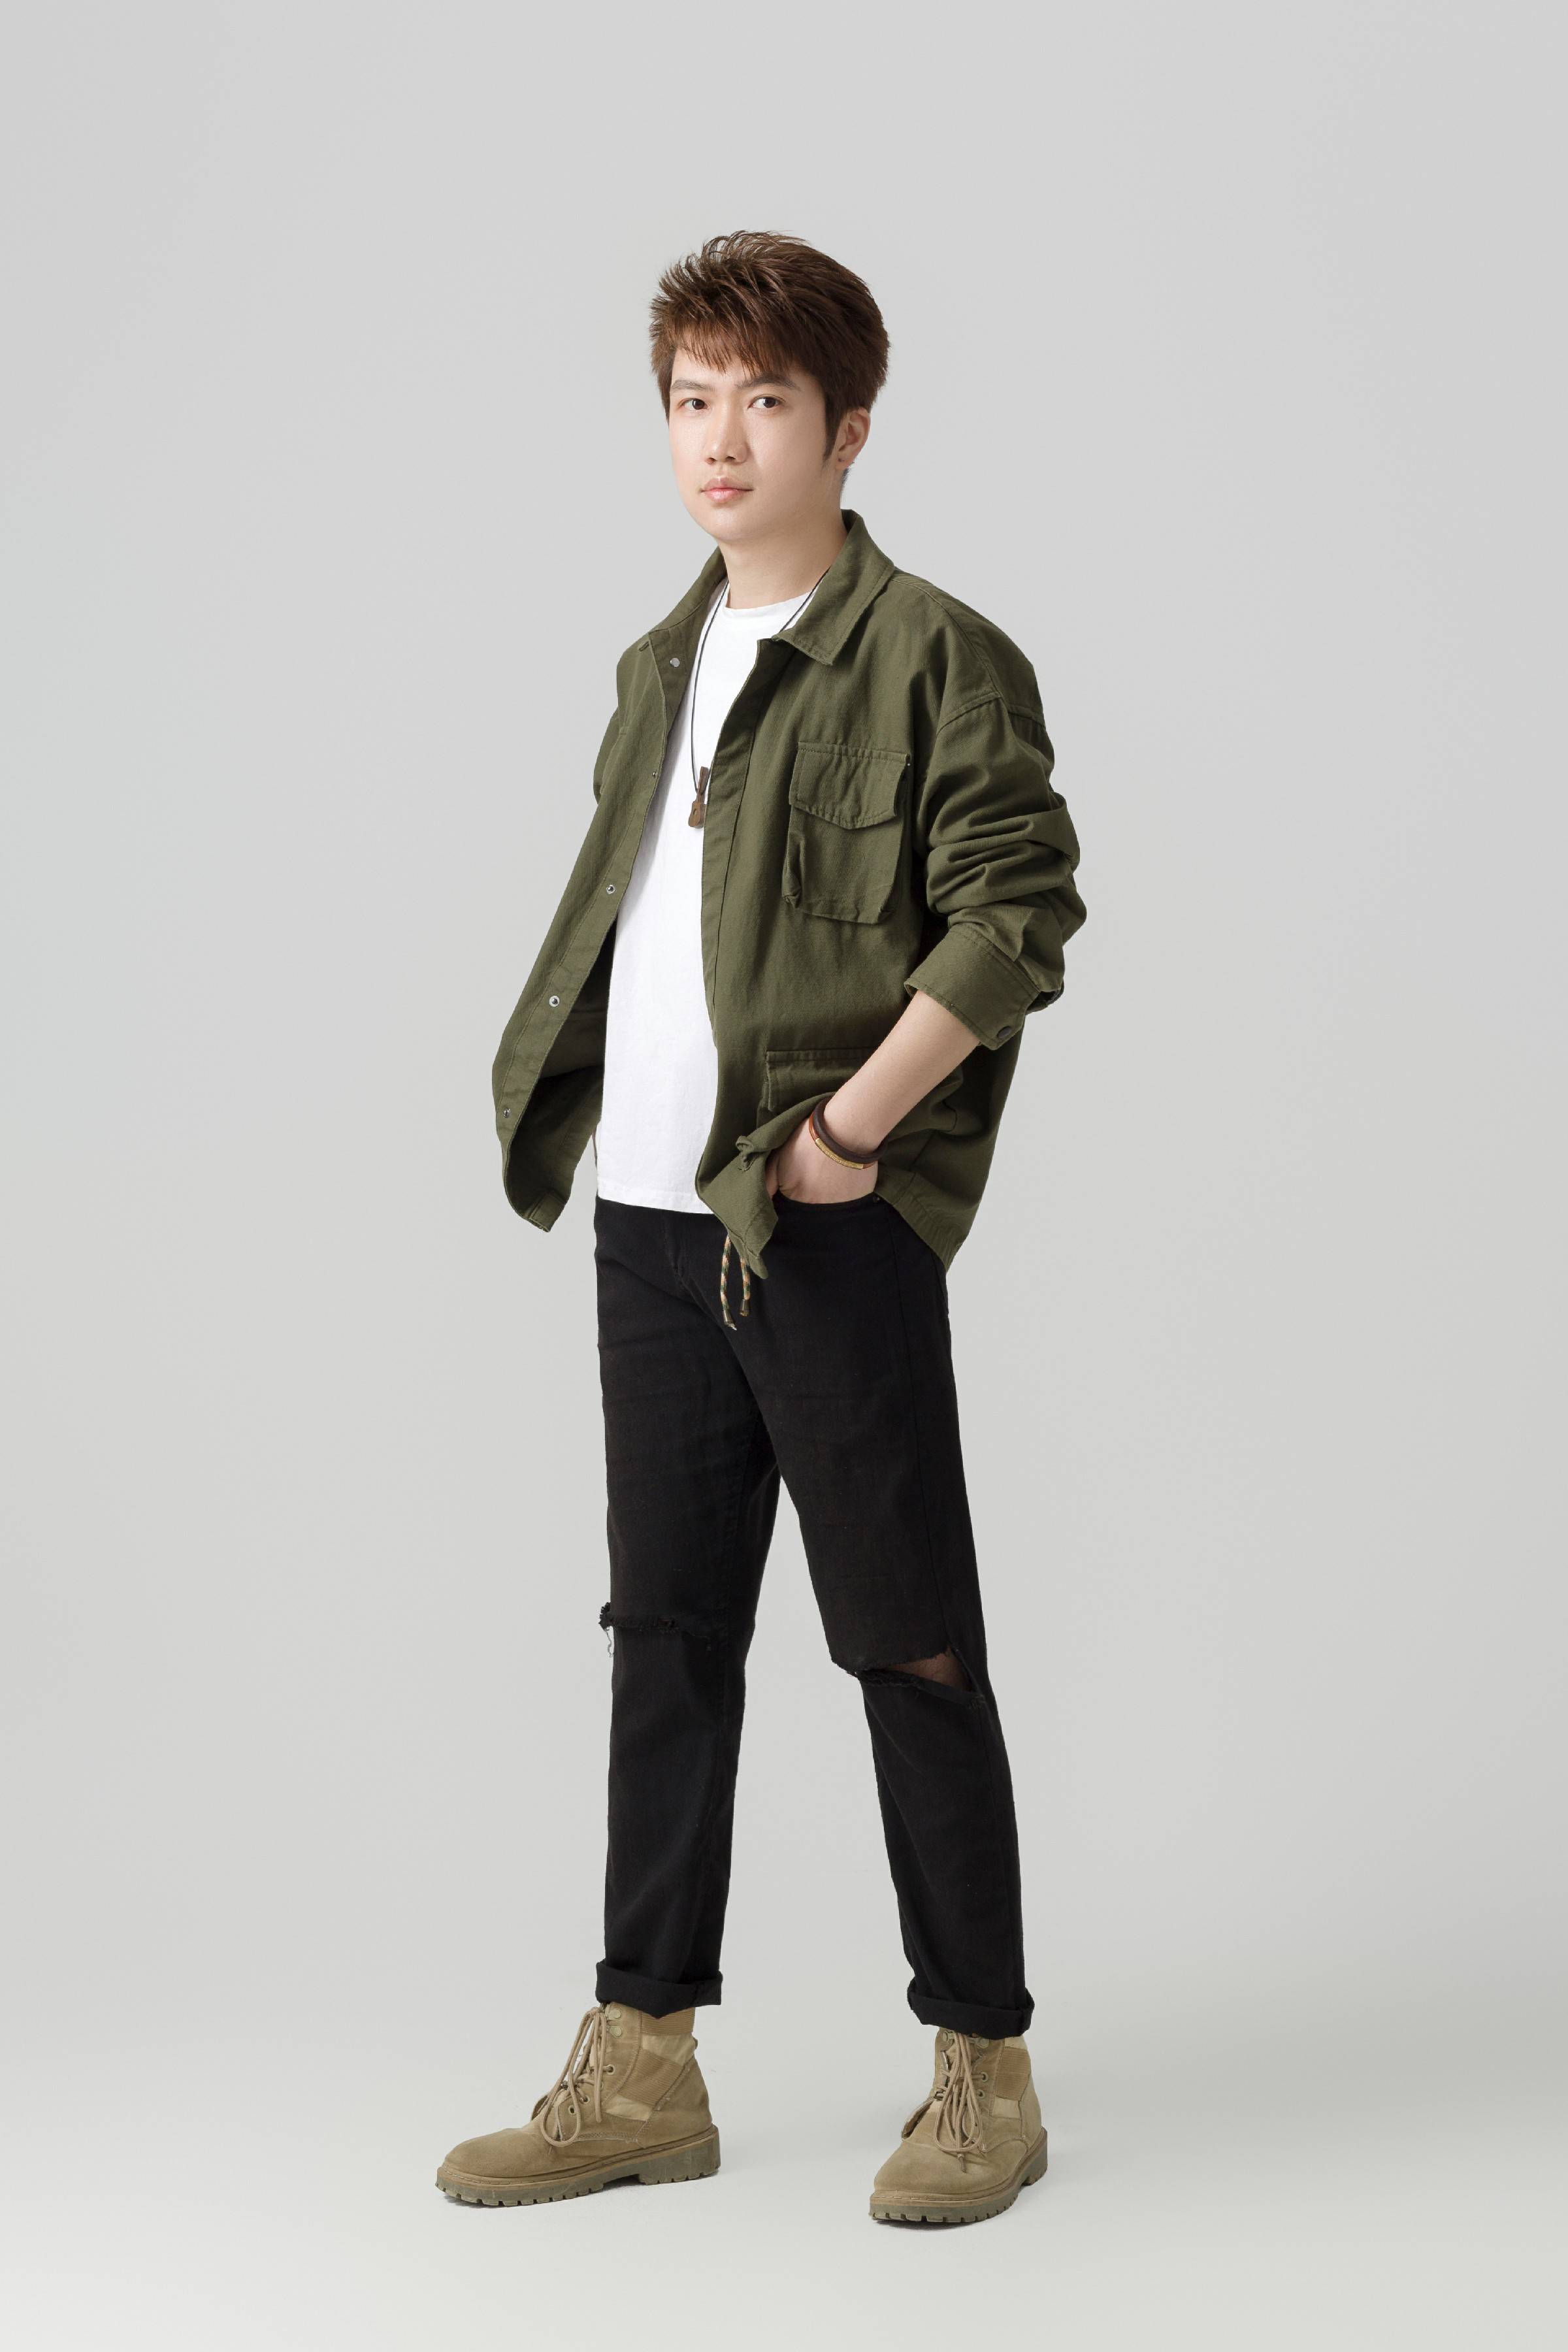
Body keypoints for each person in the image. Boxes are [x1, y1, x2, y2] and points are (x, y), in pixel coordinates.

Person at [436, 231, 1086, 2227]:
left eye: (766, 400)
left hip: (812, 1228)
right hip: (647, 1223)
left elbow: (1015, 913)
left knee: (907, 1646)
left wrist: (853, 1136)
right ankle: (643, 2064)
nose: (721, 439)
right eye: (691, 399)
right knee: (668, 1642)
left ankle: (984, 2072)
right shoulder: (662, 664)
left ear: (848, 427)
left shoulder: (936, 654)